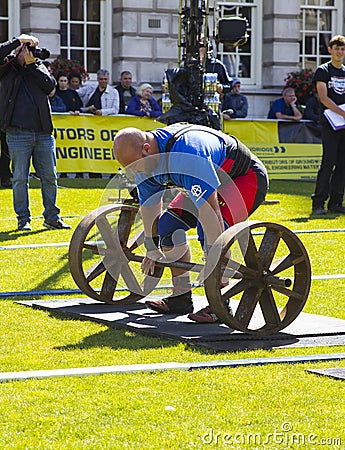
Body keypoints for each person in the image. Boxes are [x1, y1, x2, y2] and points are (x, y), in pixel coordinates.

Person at [113, 123, 268, 323]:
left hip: (243, 179)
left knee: (208, 230)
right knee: (167, 226)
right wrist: (152, 247)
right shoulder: (143, 163)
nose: (135, 173)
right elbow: (150, 208)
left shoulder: (189, 152)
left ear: (146, 149)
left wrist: (218, 260)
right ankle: (180, 297)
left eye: (136, 166)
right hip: (201, 180)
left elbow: (211, 212)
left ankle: (219, 305)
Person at [0, 34, 71, 231]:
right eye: (26, 49)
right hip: (17, 132)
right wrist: (17, 42)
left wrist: (31, 64)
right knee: (20, 178)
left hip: (43, 132)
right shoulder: (7, 67)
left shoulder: (38, 67)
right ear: (18, 51)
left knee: (49, 176)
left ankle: (52, 217)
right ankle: (23, 219)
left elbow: (50, 86)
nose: (31, 53)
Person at [311, 34, 345, 215]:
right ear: (330, 50)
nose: (339, 52)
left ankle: (336, 202)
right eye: (337, 48)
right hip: (330, 123)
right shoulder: (323, 70)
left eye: (342, 49)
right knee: (328, 161)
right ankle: (318, 203)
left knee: (343, 163)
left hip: (344, 125)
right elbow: (323, 97)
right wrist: (342, 113)